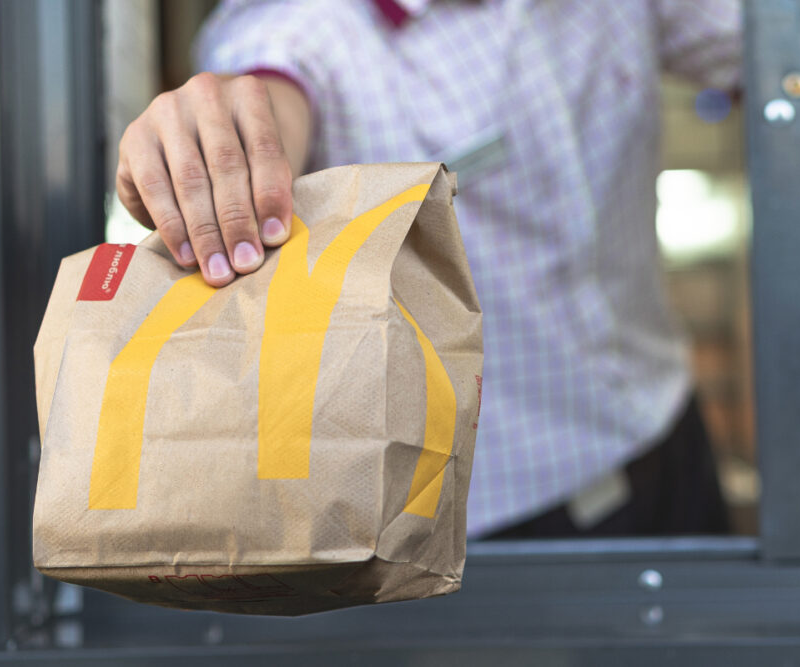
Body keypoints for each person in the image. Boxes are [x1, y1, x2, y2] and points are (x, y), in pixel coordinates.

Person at [116, 0, 740, 539]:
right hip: (489, 525)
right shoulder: (302, 29)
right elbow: (262, 98)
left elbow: (777, 42)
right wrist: (218, 132)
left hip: (669, 434)